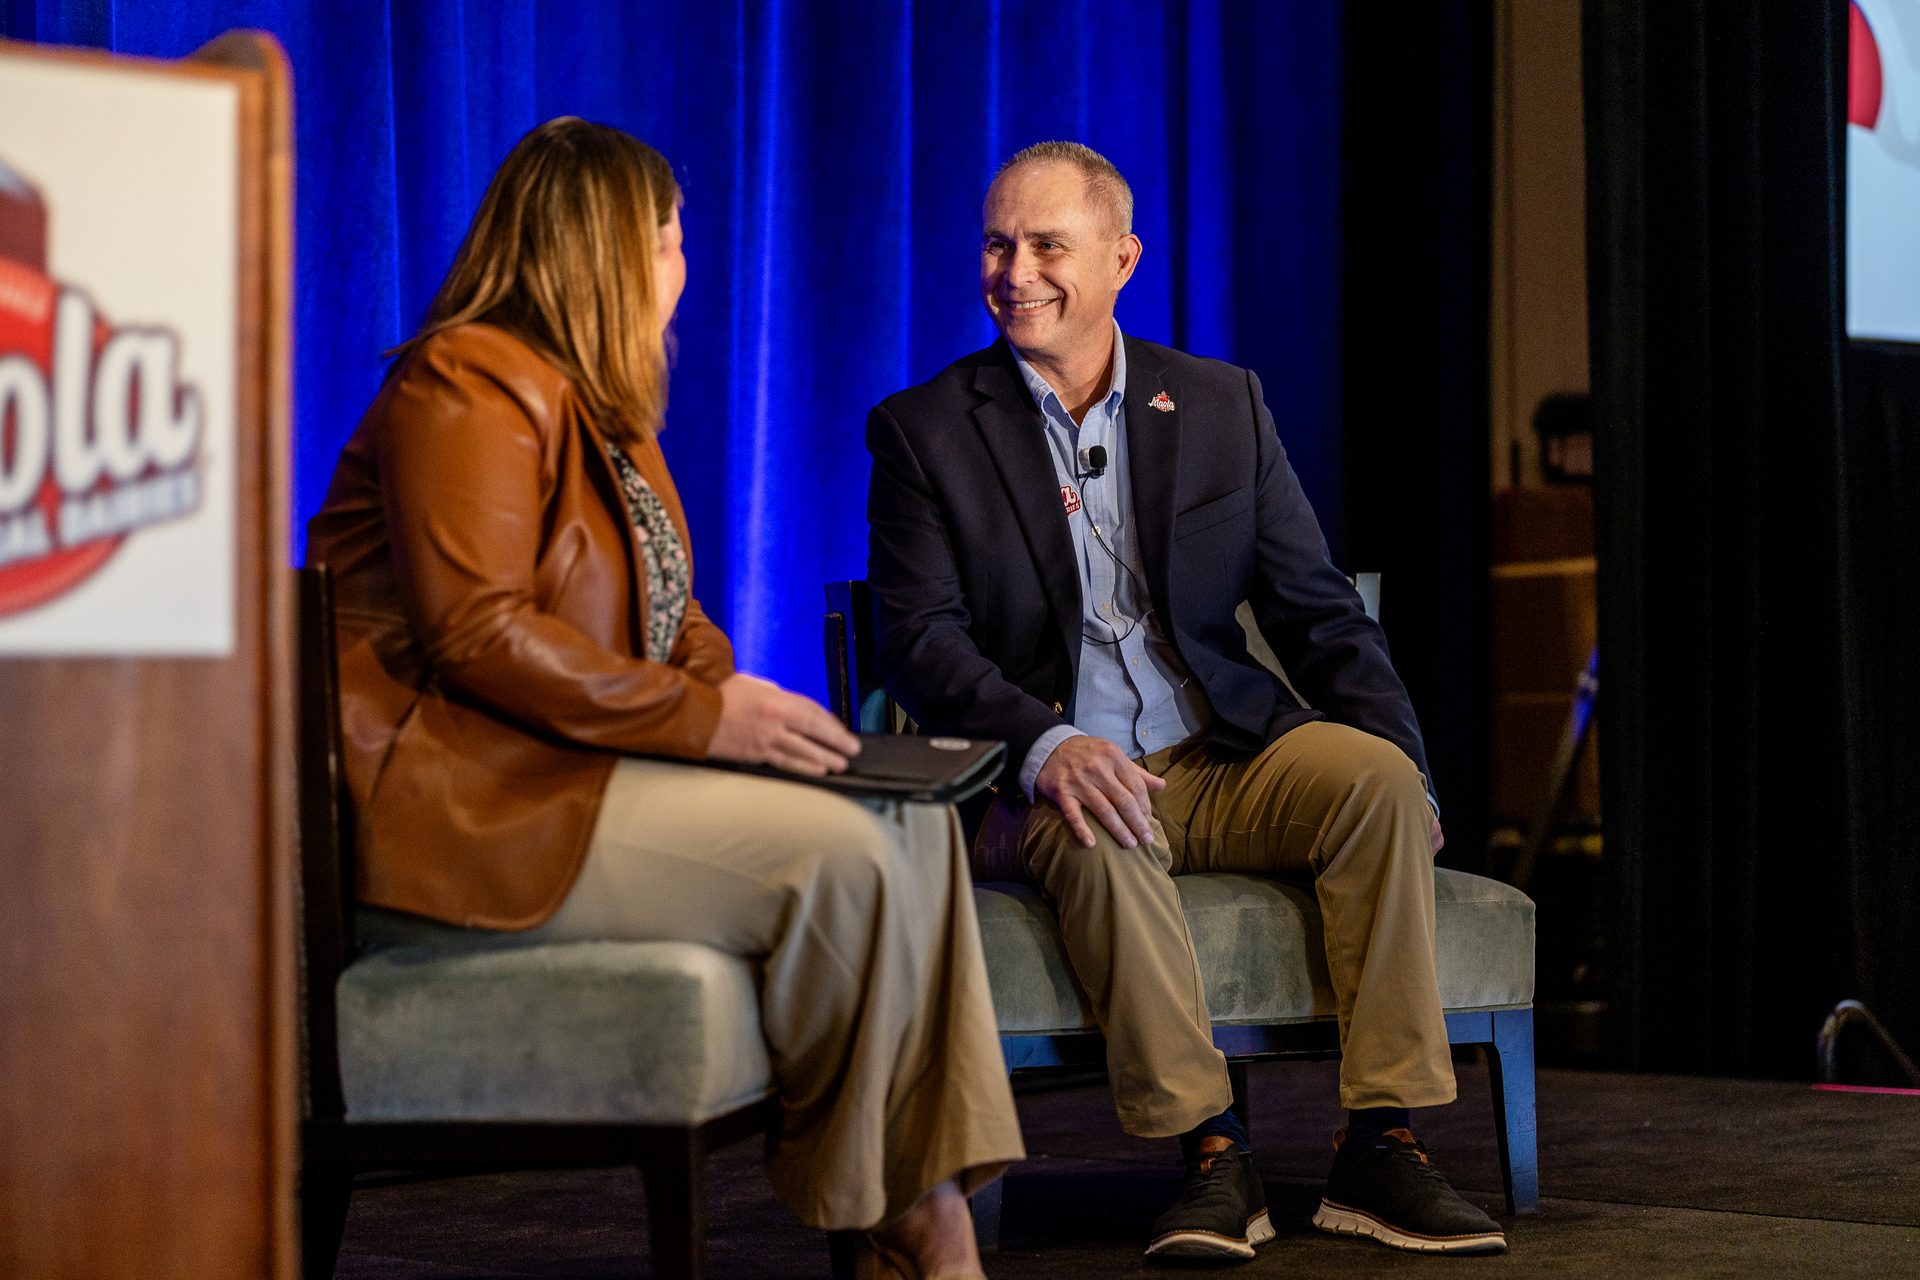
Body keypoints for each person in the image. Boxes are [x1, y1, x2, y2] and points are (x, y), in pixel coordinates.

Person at [307, 117, 1023, 1280]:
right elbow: (477, 632)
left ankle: (918, 1210)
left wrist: (748, 707)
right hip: (469, 807)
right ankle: (907, 1223)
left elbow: (668, 615)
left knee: (915, 827)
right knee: (843, 860)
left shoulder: (604, 406)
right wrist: (707, 722)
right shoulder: (465, 379)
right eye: (672, 239)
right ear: (605, 249)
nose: (684, 266)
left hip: (573, 768)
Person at [864, 140, 1507, 1261]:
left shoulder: (1217, 404)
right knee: (1103, 818)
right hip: (1044, 774)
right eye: (997, 244)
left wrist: (1410, 757)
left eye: (1047, 246)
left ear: (1121, 259)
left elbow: (1318, 611)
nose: (1015, 272)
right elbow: (918, 640)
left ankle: (1380, 1143)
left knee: (1374, 784)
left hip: (1215, 749)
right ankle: (1213, 1152)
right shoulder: (924, 431)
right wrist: (1049, 743)